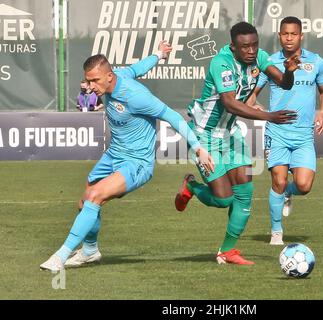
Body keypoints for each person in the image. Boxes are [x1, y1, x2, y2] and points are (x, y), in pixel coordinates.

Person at [40, 41, 215, 272]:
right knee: (85, 202)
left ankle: (59, 257)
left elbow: (173, 117)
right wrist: (158, 54)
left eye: (95, 81)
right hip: (113, 155)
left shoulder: (135, 96)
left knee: (94, 196)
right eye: (88, 80)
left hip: (137, 162)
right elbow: (138, 68)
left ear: (110, 76)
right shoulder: (118, 75)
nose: (90, 86)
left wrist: (199, 148)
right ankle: (90, 251)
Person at [174, 22, 300, 265]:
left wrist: (290, 71)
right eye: (245, 47)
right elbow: (230, 103)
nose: (251, 51)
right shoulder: (221, 63)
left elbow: (284, 82)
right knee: (223, 199)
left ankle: (227, 252)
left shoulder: (259, 58)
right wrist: (268, 116)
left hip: (230, 134)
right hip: (203, 136)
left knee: (245, 193)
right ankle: (192, 187)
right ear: (233, 46)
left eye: (254, 45)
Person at [247, 16, 323, 245]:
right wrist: (253, 104)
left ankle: (288, 193)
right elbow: (253, 93)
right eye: (285, 33)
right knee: (278, 180)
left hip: (304, 134)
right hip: (277, 132)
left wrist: (321, 113)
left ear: (301, 36)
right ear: (279, 35)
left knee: (304, 185)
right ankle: (276, 233)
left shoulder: (316, 62)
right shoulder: (270, 62)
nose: (289, 38)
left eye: (294, 34)